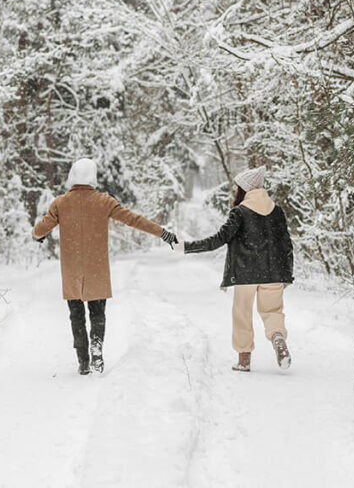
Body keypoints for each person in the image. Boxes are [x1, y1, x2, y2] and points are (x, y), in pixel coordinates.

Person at [32, 158, 177, 375]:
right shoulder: (103, 201)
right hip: (96, 267)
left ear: (72, 176)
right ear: (93, 177)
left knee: (76, 314)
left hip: (72, 270)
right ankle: (96, 348)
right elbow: (133, 219)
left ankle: (82, 360)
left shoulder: (61, 203)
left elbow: (41, 228)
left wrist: (38, 235)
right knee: (97, 313)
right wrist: (162, 232)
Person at [178, 166, 294, 372]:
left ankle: (244, 360)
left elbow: (219, 239)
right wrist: (287, 274)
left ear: (244, 189)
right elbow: (286, 244)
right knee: (272, 311)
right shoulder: (277, 211)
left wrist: (188, 246)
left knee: (242, 314)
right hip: (275, 272)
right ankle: (278, 338)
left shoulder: (240, 212)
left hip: (245, 273)